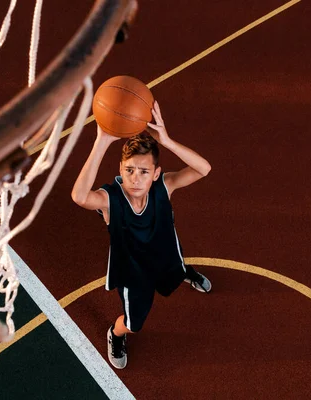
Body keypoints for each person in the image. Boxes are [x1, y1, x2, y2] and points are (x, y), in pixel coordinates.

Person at [71, 101, 212, 369]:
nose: (136, 178)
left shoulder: (164, 186)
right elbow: (79, 196)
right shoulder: (110, 199)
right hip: (133, 273)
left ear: (156, 173)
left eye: (144, 172)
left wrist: (167, 141)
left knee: (178, 269)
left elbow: (203, 169)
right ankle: (115, 333)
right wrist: (101, 141)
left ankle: (185, 273)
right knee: (134, 324)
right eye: (129, 170)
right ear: (120, 171)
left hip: (166, 254)